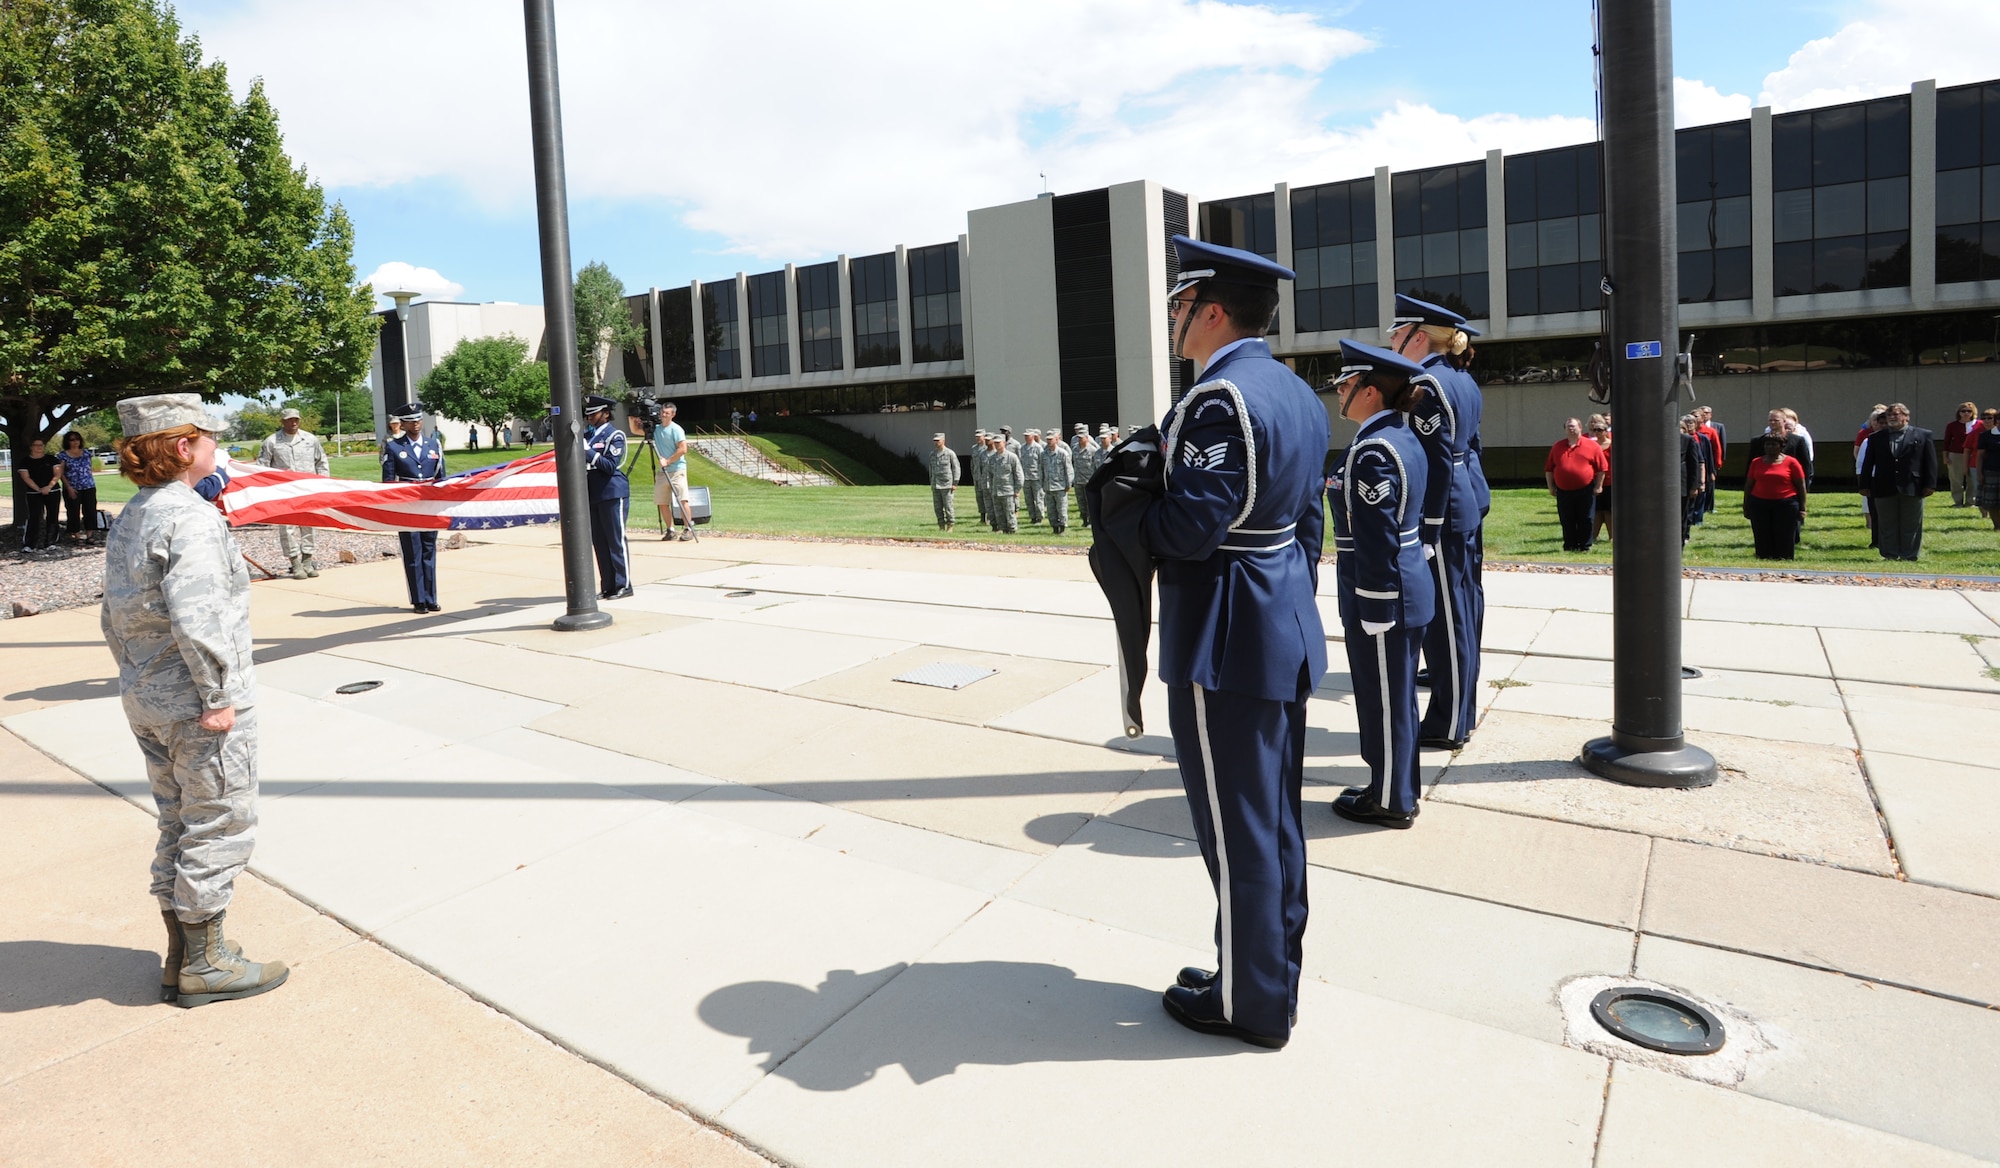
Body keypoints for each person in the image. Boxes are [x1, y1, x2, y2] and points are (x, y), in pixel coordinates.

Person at [1143, 236, 1327, 1051]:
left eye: (1181, 305)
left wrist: (1121, 509)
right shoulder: (1296, 391)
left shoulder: (1219, 400)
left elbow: (1190, 529)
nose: (1175, 319)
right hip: (1278, 618)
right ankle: (1264, 972)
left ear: (1212, 309)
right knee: (1273, 818)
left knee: (1237, 824)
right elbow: (1311, 526)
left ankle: (1249, 1003)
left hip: (1225, 631)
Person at [102, 392, 288, 1007]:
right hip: (197, 705)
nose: (217, 445)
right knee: (219, 820)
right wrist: (218, 696)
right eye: (209, 436)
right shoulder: (189, 517)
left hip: (148, 697)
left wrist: (136, 677)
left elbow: (112, 615)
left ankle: (181, 955)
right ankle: (207, 964)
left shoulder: (134, 513)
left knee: (178, 820)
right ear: (184, 447)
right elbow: (200, 616)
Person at [1328, 337, 1433, 833]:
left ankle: (1391, 799)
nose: (1339, 392)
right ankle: (1395, 786)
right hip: (1402, 583)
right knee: (1395, 698)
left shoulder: (1373, 450)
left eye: (1346, 384)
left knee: (1385, 700)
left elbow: (1375, 535)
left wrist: (1373, 602)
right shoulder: (1399, 435)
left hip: (1383, 592)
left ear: (1370, 391)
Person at [1387, 293, 1485, 753]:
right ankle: (1460, 710)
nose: (1390, 340)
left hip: (1442, 513)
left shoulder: (1427, 383)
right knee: (1464, 610)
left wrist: (1426, 527)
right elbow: (1471, 448)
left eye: (1396, 333)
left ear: (1418, 336)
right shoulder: (1460, 378)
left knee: (1447, 620)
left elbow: (1437, 462)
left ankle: (1449, 722)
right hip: (1465, 502)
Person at [381, 402, 446, 612]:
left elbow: (441, 478)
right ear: (403, 424)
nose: (416, 424)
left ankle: (431, 597)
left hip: (428, 506)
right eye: (410, 421)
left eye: (418, 420)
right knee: (413, 553)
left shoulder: (433, 445)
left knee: (429, 551)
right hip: (408, 506)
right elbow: (388, 482)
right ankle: (418, 599)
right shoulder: (394, 447)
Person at [256, 407, 331, 579]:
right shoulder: (272, 441)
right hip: (284, 492)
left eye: (296, 419)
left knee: (309, 524)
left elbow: (321, 462)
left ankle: (307, 560)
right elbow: (262, 467)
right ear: (282, 421)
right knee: (287, 528)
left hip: (308, 490)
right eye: (290, 419)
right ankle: (295, 563)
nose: (294, 422)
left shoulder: (310, 439)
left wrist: (324, 484)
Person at [1858, 403, 1937, 561]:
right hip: (1883, 486)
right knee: (1887, 523)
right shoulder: (1875, 438)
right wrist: (1864, 485)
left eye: (1896, 414)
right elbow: (1868, 463)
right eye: (1889, 415)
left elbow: (1930, 462)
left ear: (1906, 417)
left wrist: (1930, 484)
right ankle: (1889, 554)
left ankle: (1909, 555)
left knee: (1911, 523)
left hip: (1912, 486)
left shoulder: (1923, 435)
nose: (1892, 417)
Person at [582, 394, 632, 597]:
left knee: (615, 540)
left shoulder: (615, 435)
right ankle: (608, 585)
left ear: (605, 413)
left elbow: (610, 466)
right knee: (600, 542)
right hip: (594, 493)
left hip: (612, 492)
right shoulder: (588, 437)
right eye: (589, 415)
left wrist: (589, 453)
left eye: (594, 414)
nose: (590, 418)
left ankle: (624, 585)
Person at [1544, 417, 1607, 551]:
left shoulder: (1592, 446)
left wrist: (1599, 485)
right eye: (1568, 427)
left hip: (1586, 489)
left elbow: (1602, 468)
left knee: (1586, 518)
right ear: (1565, 430)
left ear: (1580, 428)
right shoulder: (1558, 446)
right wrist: (1551, 487)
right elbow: (1549, 469)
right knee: (1567, 518)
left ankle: (1585, 546)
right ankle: (1570, 545)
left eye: (1573, 426)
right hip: (1563, 490)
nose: (1571, 429)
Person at [1742, 433, 1808, 559]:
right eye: (1767, 444)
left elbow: (1801, 486)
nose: (1770, 447)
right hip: (1759, 503)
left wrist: (1803, 508)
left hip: (1786, 504)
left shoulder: (1792, 462)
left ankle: (1784, 558)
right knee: (1761, 533)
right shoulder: (1756, 462)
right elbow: (1749, 485)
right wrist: (1746, 506)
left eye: (1773, 444)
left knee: (1784, 533)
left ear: (1781, 446)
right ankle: (1763, 557)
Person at [653, 400, 697, 541]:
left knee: (682, 500)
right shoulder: (656, 429)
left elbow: (683, 449)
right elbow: (636, 430)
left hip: (677, 470)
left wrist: (668, 460)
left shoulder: (676, 429)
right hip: (662, 472)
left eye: (667, 413)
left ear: (673, 414)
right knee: (662, 501)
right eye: (662, 412)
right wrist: (632, 418)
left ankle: (688, 528)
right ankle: (670, 530)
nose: (663, 415)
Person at [15, 436, 61, 553]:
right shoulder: (25, 461)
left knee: (52, 516)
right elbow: (26, 477)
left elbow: (57, 474)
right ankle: (29, 544)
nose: (39, 447)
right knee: (34, 517)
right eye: (36, 445)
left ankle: (50, 542)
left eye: (41, 445)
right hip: (33, 492)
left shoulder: (51, 459)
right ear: (31, 447)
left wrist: (49, 487)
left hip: (52, 491)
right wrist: (38, 489)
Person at [57, 431, 99, 545]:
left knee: (90, 511)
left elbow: (89, 468)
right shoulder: (63, 455)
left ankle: (89, 535)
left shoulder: (86, 453)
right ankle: (76, 536)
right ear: (67, 442)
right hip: (72, 488)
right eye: (72, 439)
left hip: (88, 486)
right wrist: (68, 487)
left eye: (77, 439)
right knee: (73, 512)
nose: (75, 442)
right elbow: (61, 473)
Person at [1945, 403, 1981, 507]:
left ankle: (1971, 501)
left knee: (1972, 479)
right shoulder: (1952, 425)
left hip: (1973, 455)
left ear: (1973, 412)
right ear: (1959, 413)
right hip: (1956, 454)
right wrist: (1945, 456)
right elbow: (1947, 442)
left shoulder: (1979, 424)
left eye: (1969, 411)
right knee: (1956, 479)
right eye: (1963, 411)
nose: (1966, 413)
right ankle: (1958, 502)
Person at [1679, 414, 1706, 545]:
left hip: (1682, 487)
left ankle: (1680, 544)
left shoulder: (1688, 440)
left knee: (1681, 518)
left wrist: (1694, 486)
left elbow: (1694, 464)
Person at [990, 432, 1023, 534]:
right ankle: (1004, 531)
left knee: (1010, 513)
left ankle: (1012, 531)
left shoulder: (1011, 457)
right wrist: (991, 488)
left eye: (999, 443)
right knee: (999, 514)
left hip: (1008, 490)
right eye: (995, 443)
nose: (997, 445)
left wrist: (1017, 490)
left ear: (1004, 443)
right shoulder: (992, 458)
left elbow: (1019, 475)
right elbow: (990, 475)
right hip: (996, 491)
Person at [1041, 430, 1073, 535]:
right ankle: (1054, 528)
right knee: (1051, 510)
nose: (1049, 441)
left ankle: (1062, 528)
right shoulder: (1043, 454)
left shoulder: (1063, 453)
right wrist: (1042, 484)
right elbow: (1041, 470)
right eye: (1048, 440)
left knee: (1061, 509)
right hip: (1048, 486)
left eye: (1051, 439)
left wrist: (1068, 484)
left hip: (1060, 486)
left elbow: (1068, 470)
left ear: (1056, 440)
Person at [1589, 418, 1614, 546]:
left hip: (1610, 482)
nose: (1597, 432)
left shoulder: (1612, 445)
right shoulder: (1592, 445)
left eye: (1600, 430)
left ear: (1606, 431)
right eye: (1594, 430)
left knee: (1608, 510)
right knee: (1597, 510)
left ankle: (1612, 536)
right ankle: (1594, 535)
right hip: (1594, 480)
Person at [928, 432, 959, 531]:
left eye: (938, 440)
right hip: (935, 484)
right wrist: (931, 482)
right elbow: (931, 469)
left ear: (943, 441)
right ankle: (941, 525)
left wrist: (955, 483)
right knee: (937, 507)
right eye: (935, 441)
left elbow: (956, 468)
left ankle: (950, 525)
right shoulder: (932, 454)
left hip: (946, 484)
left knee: (948, 507)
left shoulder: (950, 453)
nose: (936, 442)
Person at [1975, 408, 2000, 529]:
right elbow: (1980, 456)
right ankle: (1997, 526)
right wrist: (1979, 473)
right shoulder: (1985, 436)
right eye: (1998, 419)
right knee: (1992, 502)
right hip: (1991, 472)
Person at [1021, 428, 1045, 525]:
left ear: (1033, 436)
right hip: (1026, 477)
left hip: (1036, 477)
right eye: (1025, 436)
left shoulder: (1038, 448)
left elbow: (1042, 463)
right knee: (1028, 499)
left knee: (1038, 498)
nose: (1026, 437)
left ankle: (1039, 517)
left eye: (1028, 436)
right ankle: (1032, 517)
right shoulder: (1022, 448)